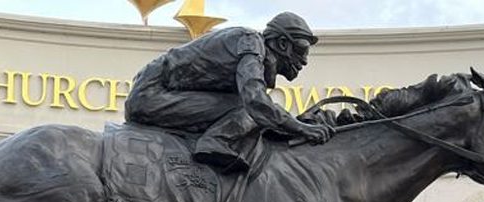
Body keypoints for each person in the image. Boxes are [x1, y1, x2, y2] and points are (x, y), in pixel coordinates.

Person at [124, 11, 334, 172]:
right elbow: (255, 102)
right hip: (150, 96)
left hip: (161, 94)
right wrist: (301, 128)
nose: (305, 60)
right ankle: (214, 142)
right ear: (282, 44)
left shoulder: (252, 49)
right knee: (247, 107)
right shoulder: (251, 43)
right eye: (302, 50)